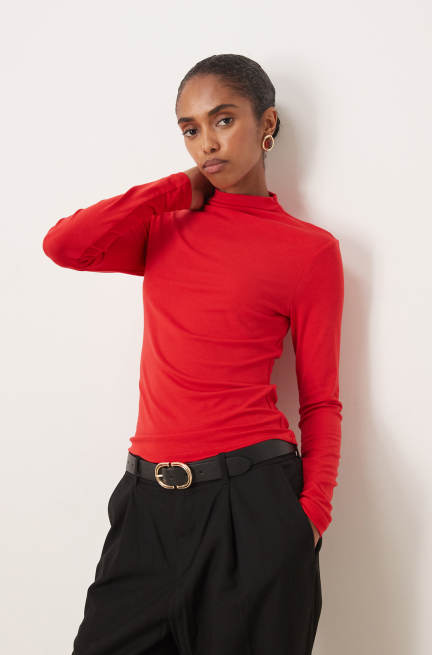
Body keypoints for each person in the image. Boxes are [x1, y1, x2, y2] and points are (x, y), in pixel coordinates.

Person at [42, 53, 344, 655]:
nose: (207, 142)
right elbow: (64, 245)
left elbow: (321, 400)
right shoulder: (164, 227)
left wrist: (310, 517)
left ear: (267, 123)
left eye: (223, 120)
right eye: (190, 128)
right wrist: (179, 187)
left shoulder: (309, 251)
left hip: (250, 508)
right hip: (145, 508)